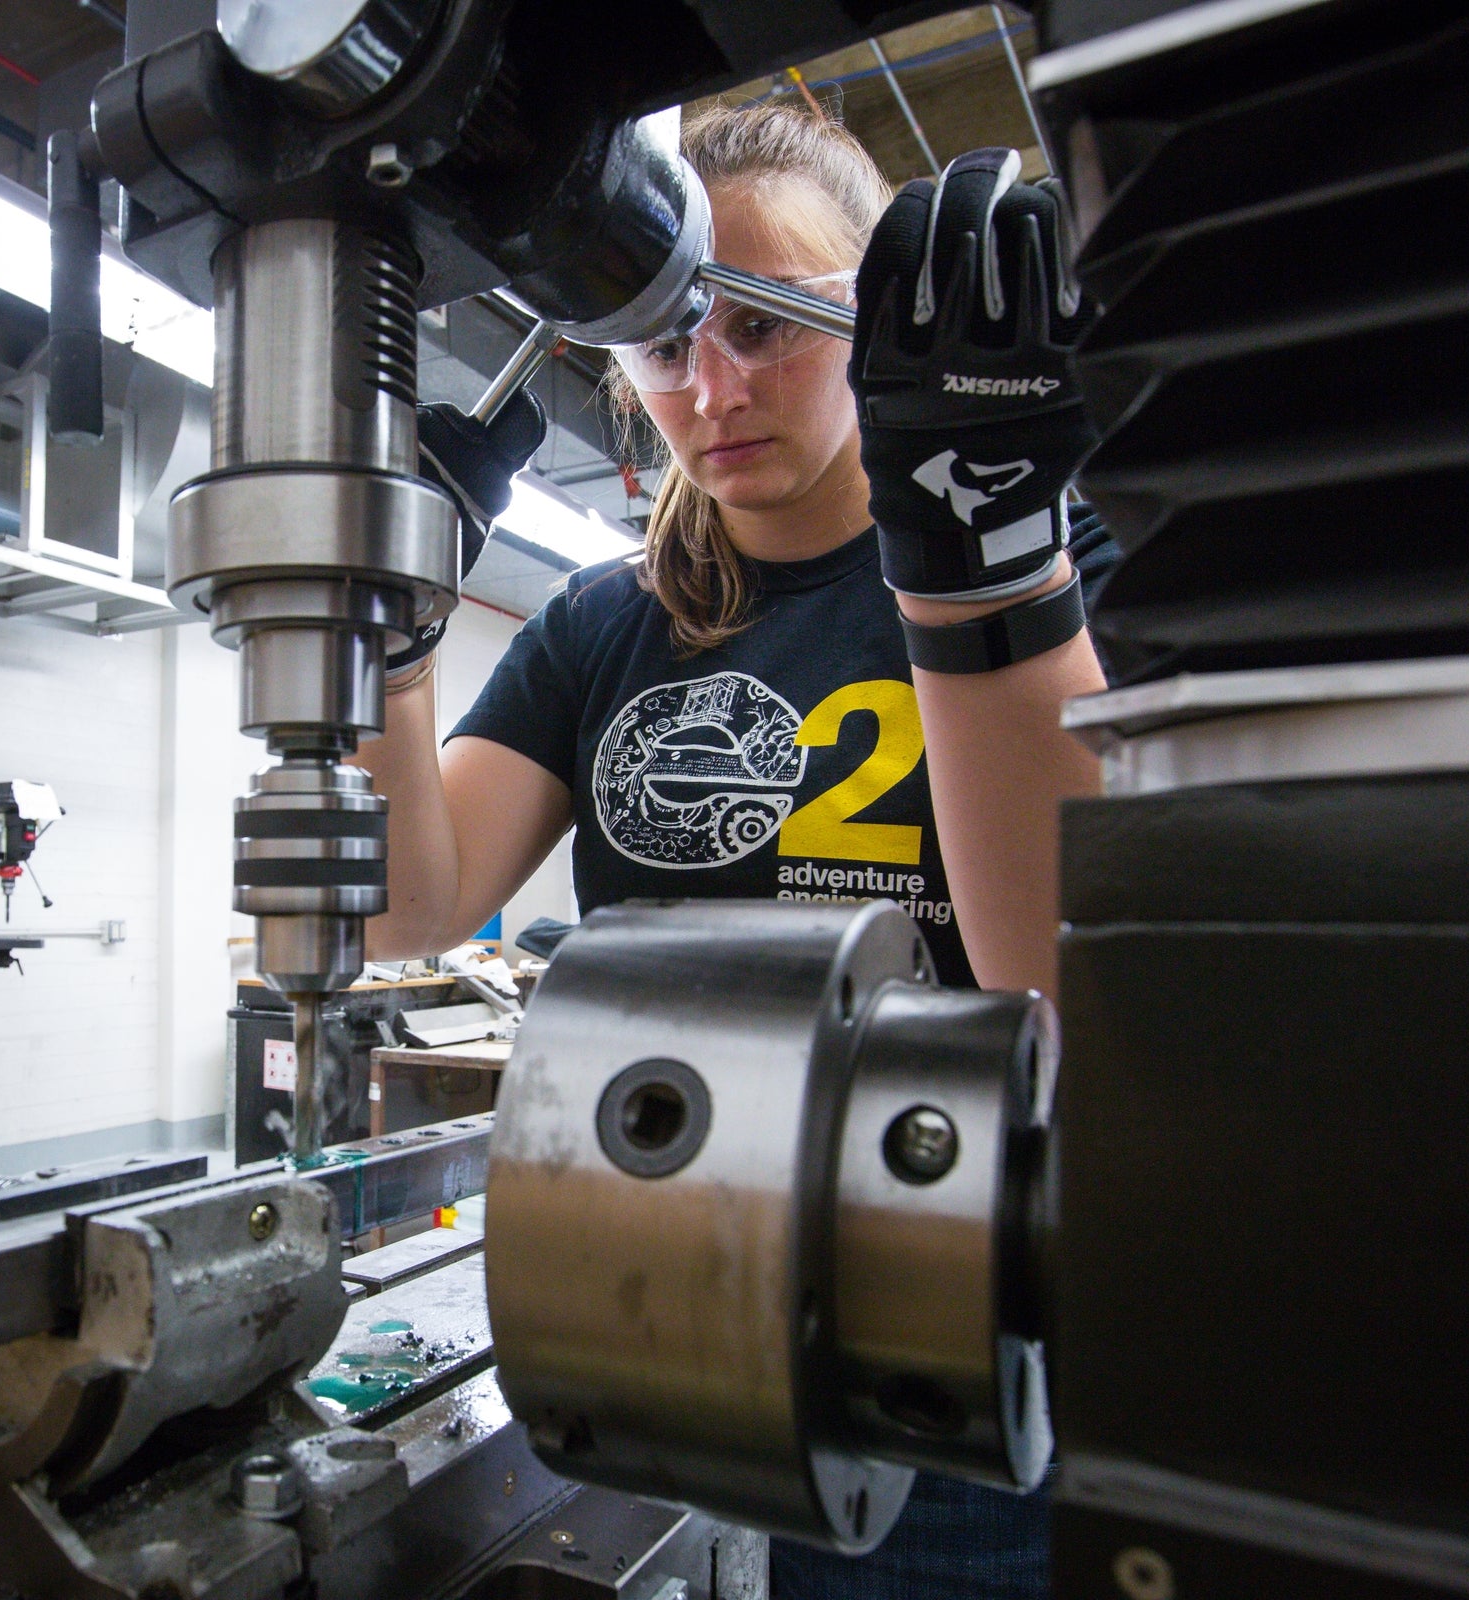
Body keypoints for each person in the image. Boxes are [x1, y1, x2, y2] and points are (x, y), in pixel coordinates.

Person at [370, 103, 1115, 1597]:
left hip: (958, 1367)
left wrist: (975, 565)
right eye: (665, 345)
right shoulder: (601, 627)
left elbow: (1069, 983)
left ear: (881, 310)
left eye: (772, 327)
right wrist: (386, 635)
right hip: (666, 1337)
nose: (713, 387)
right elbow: (411, 908)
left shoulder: (1050, 567)